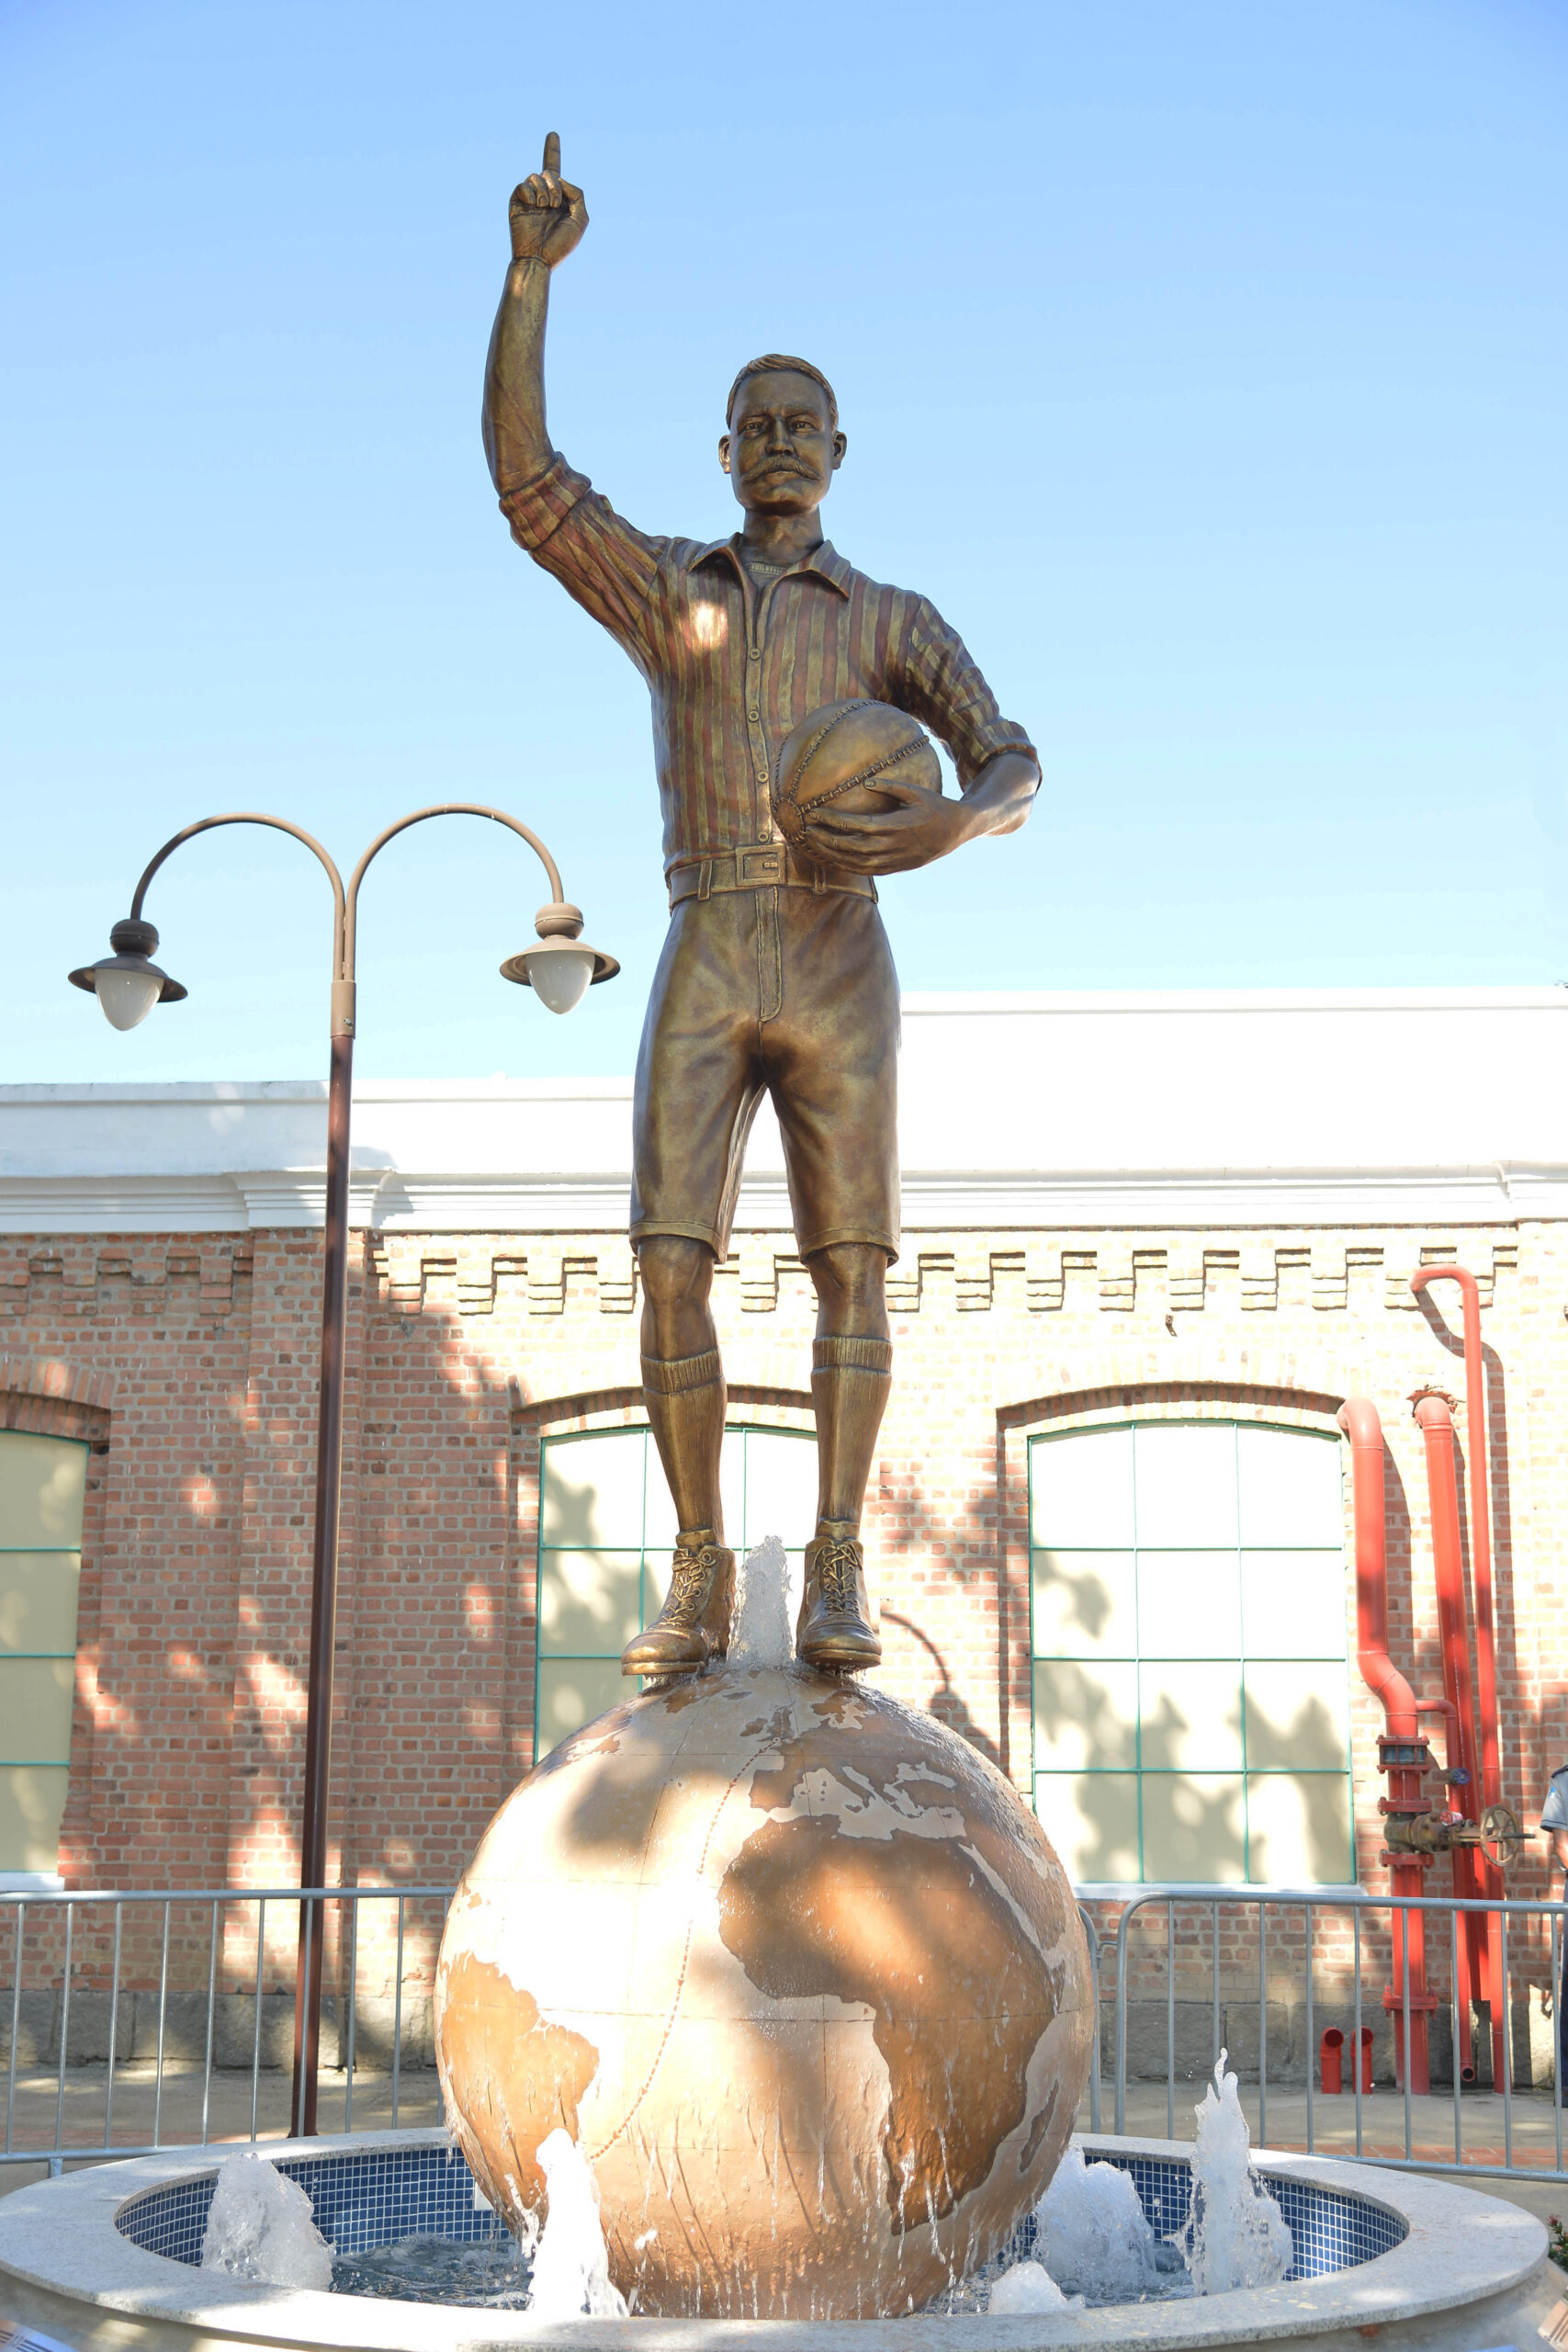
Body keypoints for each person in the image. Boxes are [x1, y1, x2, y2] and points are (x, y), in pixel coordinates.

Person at [485, 136, 1040, 1679]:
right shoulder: (680, 595)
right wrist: (530, 280)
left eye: (806, 425)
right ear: (723, 452)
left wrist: (945, 824)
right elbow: (529, 489)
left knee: (852, 1266)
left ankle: (841, 1566)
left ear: (841, 451)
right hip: (713, 937)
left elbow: (1014, 752)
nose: (782, 443)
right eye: (758, 426)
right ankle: (701, 1566)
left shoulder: (893, 618)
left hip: (843, 951)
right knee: (669, 1255)